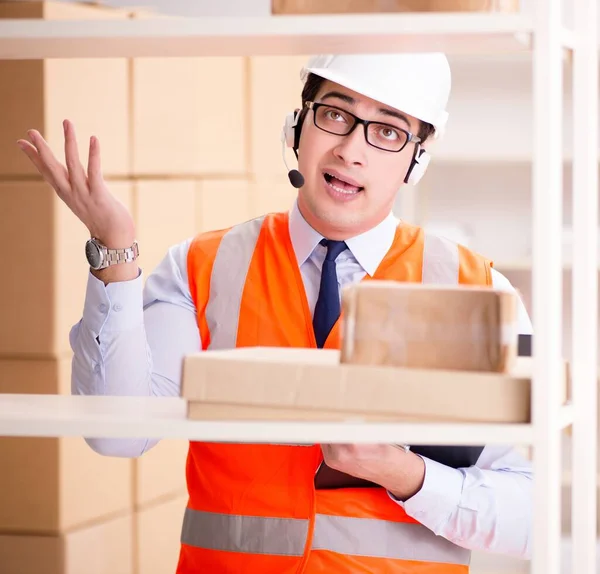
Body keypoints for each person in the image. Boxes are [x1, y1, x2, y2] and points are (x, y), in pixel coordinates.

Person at [18, 52, 533, 573]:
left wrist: (406, 475)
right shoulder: (202, 266)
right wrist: (114, 248)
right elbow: (118, 431)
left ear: (416, 160)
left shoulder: (481, 292)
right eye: (335, 114)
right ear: (297, 125)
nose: (352, 150)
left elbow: (530, 512)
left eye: (388, 131)